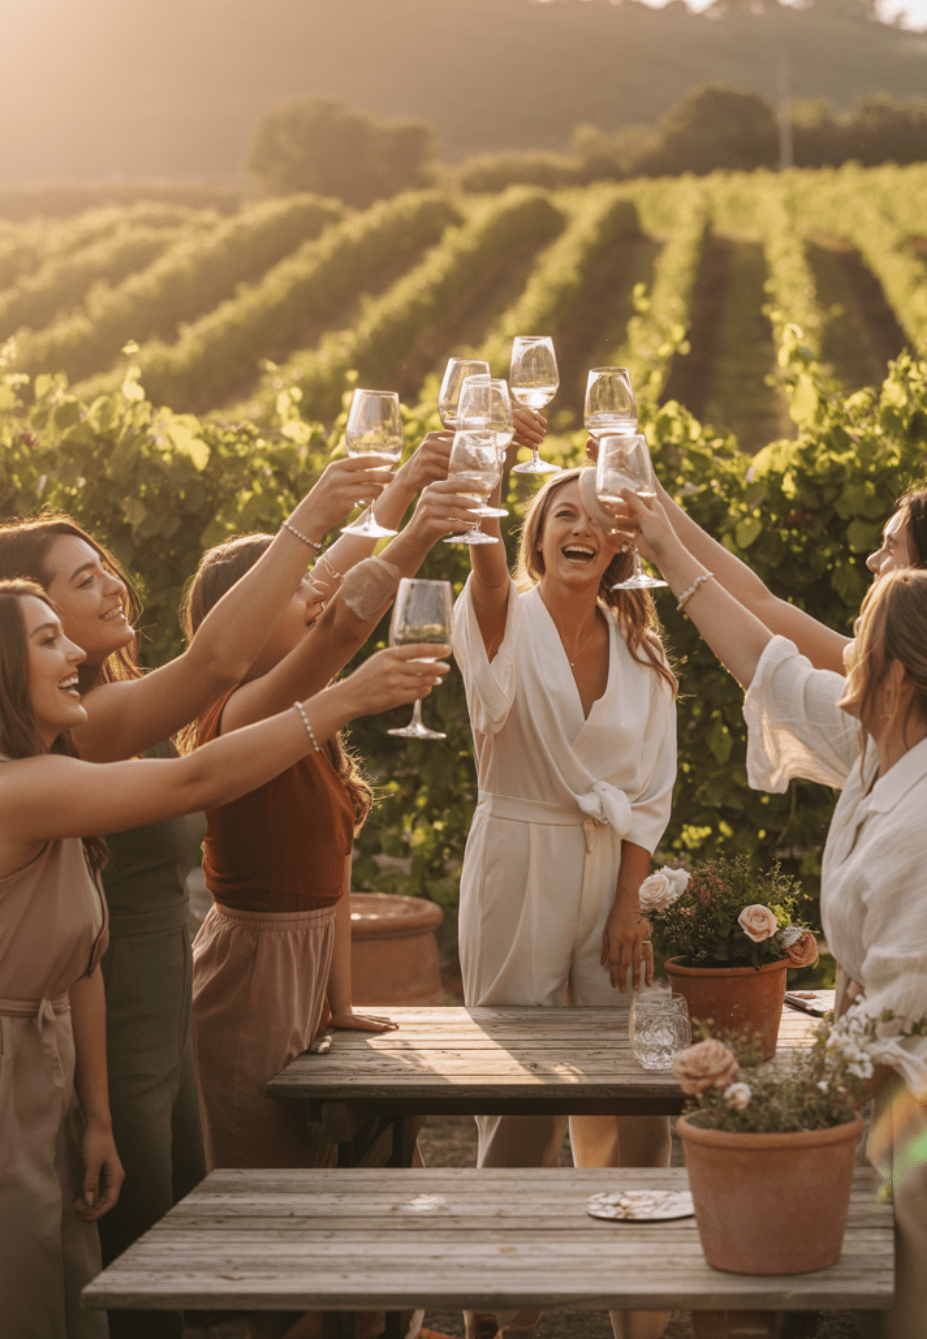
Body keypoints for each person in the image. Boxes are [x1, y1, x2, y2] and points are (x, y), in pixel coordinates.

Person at [0, 438, 449, 1338]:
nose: (108, 592)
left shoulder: (82, 726)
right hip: (88, 1036)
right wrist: (346, 691)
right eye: (56, 617)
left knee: (114, 1258)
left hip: (108, 1024)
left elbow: (295, 621)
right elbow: (204, 763)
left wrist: (401, 501)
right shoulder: (42, 771)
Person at [624, 489, 927, 1339]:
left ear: (901, 673)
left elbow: (911, 1014)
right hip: (900, 1074)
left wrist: (765, 1108)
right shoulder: (888, 747)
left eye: (860, 641)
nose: (839, 654)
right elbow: (767, 652)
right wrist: (661, 527)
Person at [183, 475, 477, 1185]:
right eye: (293, 593)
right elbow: (345, 620)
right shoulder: (241, 715)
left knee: (331, 1167)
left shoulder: (305, 724)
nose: (313, 593)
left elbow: (335, 884)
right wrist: (420, 527)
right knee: (265, 1178)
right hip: (253, 976)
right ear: (239, 620)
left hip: (307, 973)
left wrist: (339, 1004)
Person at [453, 465, 678, 1339]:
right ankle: (498, 1320)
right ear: (537, 534)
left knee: (636, 1093)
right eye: (562, 514)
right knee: (517, 1102)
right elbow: (483, 556)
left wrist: (633, 904)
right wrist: (494, 454)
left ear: (621, 542)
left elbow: (650, 790)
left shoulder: (642, 647)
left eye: (599, 518)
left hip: (610, 879)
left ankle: (641, 1315)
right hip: (517, 861)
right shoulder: (502, 615)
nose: (581, 528)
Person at [643, 481, 927, 672]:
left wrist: (665, 550)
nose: (872, 562)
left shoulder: (890, 696)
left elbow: (760, 659)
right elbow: (757, 604)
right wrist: (653, 495)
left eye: (891, 549)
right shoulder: (881, 669)